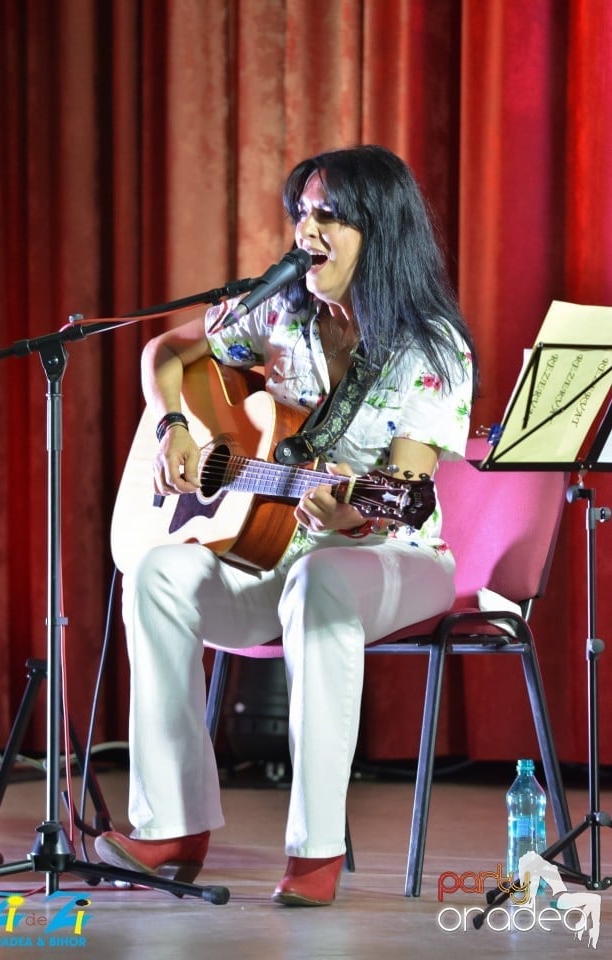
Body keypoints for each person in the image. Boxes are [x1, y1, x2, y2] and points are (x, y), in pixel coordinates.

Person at [95, 144, 478, 906]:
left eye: (328, 215)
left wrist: (351, 509)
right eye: (301, 213)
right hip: (278, 554)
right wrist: (174, 425)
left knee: (320, 580)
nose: (306, 230)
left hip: (392, 556)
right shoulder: (278, 313)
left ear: (378, 229)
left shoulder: (428, 347)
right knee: (159, 572)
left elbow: (400, 491)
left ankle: (316, 849)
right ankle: (172, 825)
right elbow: (164, 352)